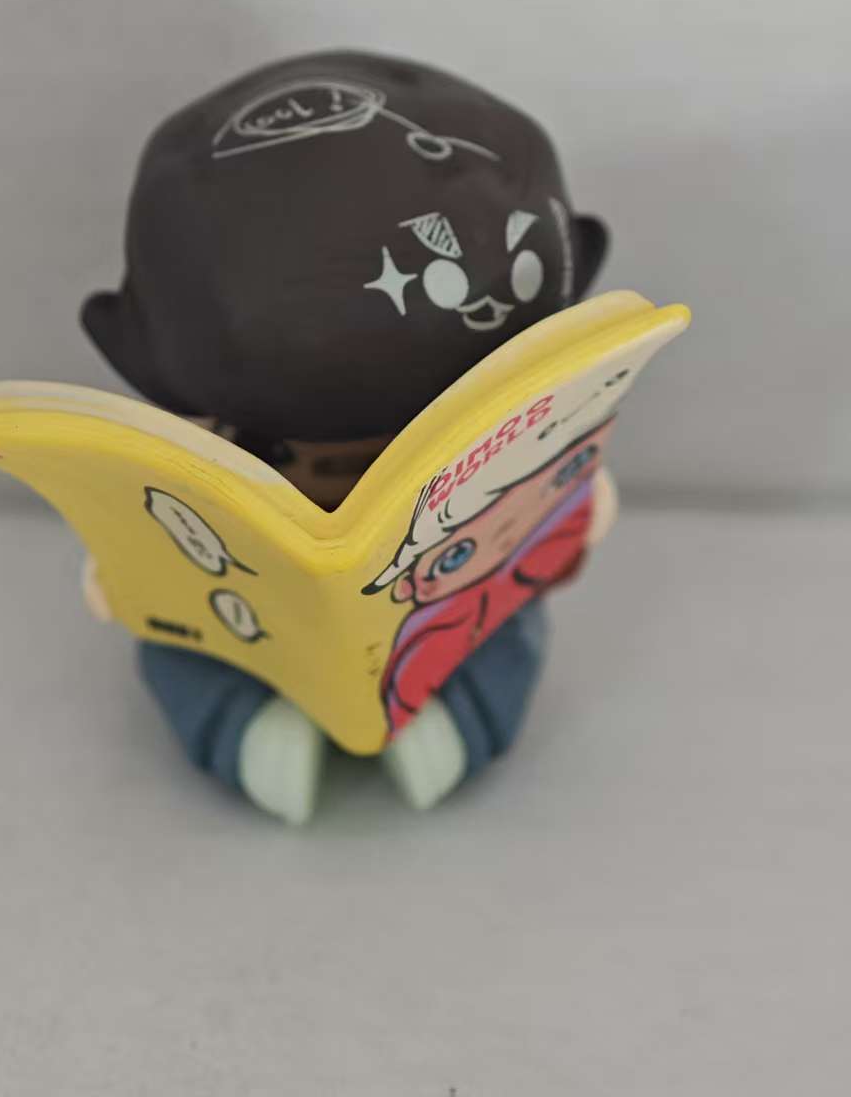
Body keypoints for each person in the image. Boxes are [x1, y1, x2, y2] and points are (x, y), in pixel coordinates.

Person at [81, 49, 610, 824]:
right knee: (184, 648)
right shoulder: (202, 416)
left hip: (455, 591)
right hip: (249, 612)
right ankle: (241, 729)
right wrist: (136, 569)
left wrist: (562, 510)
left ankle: (462, 719)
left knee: (501, 627)